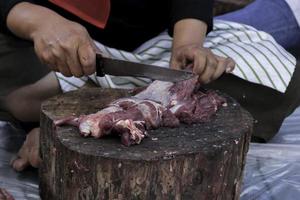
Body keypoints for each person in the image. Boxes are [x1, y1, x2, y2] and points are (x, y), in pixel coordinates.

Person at [0, 0, 299, 172]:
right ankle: (46, 118)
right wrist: (37, 21)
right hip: (46, 50)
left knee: (274, 74)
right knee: (19, 91)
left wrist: (189, 42)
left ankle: (83, 121)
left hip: (153, 49)